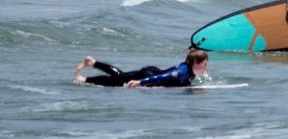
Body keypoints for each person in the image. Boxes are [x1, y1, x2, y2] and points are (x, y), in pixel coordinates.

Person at [75, 48, 209, 88]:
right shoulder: (182, 71)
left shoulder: (189, 68)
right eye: (204, 63)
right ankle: (84, 80)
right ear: (195, 62)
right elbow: (163, 77)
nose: (206, 66)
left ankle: (92, 63)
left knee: (119, 76)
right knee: (114, 81)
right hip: (147, 75)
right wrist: (140, 82)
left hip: (150, 72)